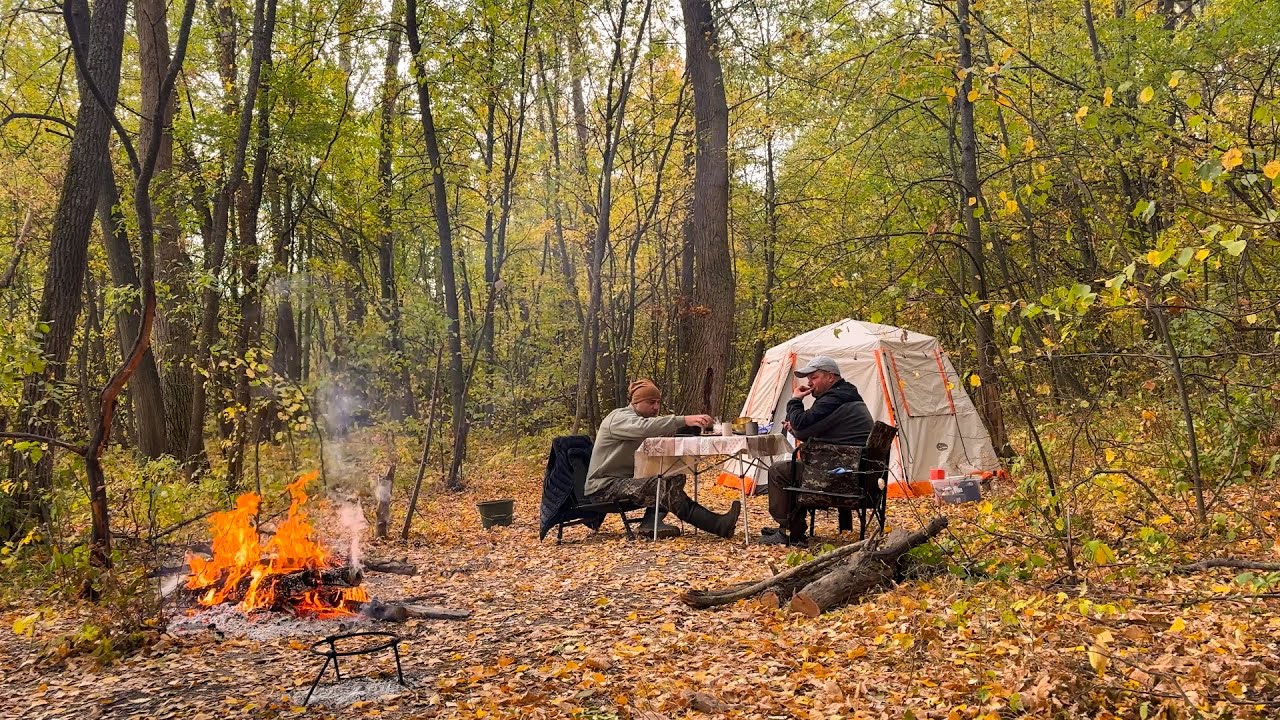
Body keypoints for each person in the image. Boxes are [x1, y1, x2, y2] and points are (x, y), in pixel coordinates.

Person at [585, 379, 742, 539]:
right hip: (603, 486)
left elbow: (655, 430)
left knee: (674, 475)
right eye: (651, 402)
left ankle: (649, 524)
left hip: (625, 481)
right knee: (661, 484)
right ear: (636, 402)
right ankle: (717, 524)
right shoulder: (619, 418)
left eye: (658, 402)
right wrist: (684, 419)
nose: (656, 407)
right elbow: (644, 428)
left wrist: (689, 429)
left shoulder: (642, 420)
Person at [760, 356, 873, 546]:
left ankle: (789, 530)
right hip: (856, 472)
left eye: (814, 377)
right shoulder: (845, 395)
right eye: (808, 379)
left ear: (830, 377)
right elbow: (806, 429)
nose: (809, 383)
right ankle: (791, 526)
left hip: (839, 476)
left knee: (779, 471)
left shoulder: (833, 399)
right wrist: (797, 429)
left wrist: (795, 400)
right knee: (793, 469)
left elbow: (802, 422)